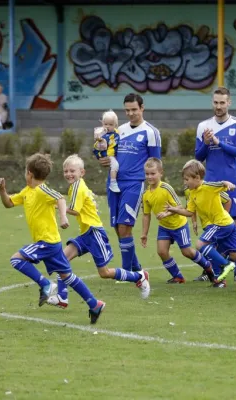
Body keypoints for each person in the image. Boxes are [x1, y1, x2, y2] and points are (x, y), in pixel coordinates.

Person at [0, 153, 106, 324]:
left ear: (30, 173)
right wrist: (3, 191)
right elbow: (9, 203)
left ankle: (46, 284)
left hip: (46, 242)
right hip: (51, 243)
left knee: (16, 259)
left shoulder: (42, 190)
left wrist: (63, 217)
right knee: (67, 276)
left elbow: (60, 199)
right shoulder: (27, 191)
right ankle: (94, 304)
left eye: (26, 172)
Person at [46, 155, 150, 309]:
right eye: (66, 171)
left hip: (94, 233)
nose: (68, 174)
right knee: (62, 260)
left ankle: (139, 277)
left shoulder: (76, 186)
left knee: (104, 273)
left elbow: (74, 210)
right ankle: (62, 297)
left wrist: (57, 205)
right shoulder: (78, 185)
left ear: (82, 172)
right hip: (86, 233)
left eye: (72, 171)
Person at [165, 160, 236, 292]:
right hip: (226, 225)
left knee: (201, 245)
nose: (185, 182)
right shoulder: (193, 193)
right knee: (235, 255)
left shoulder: (208, 186)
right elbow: (189, 212)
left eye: (187, 179)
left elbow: (222, 184)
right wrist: (174, 210)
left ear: (197, 178)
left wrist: (228, 184)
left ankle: (225, 265)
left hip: (221, 223)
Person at [96, 93, 161, 273]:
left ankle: (126, 273)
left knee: (125, 226)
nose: (131, 113)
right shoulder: (118, 130)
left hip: (134, 183)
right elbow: (109, 154)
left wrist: (153, 187)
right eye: (127, 110)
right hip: (114, 182)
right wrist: (103, 160)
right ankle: (137, 269)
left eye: (134, 109)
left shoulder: (151, 132)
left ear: (142, 108)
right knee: (118, 228)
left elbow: (155, 162)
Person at [195, 87, 236, 282]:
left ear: (229, 103)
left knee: (235, 224)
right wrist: (207, 143)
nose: (218, 106)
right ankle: (213, 269)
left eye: (222, 102)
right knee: (211, 226)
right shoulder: (203, 126)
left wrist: (219, 142)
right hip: (210, 184)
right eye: (215, 102)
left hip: (232, 182)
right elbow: (198, 157)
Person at [140, 158, 215, 284]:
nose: (149, 176)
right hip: (164, 226)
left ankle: (208, 266)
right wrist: (144, 234)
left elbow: (180, 207)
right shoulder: (146, 194)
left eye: (153, 173)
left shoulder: (166, 188)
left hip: (179, 225)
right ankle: (178, 276)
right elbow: (146, 215)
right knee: (162, 252)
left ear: (160, 173)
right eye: (147, 174)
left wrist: (167, 213)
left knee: (187, 252)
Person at [93, 110, 120, 193]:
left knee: (114, 165)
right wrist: (100, 141)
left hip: (113, 154)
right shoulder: (101, 134)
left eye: (110, 124)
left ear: (115, 125)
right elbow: (98, 146)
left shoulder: (117, 132)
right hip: (106, 154)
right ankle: (113, 182)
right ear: (102, 124)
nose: (107, 126)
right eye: (106, 124)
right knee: (115, 165)